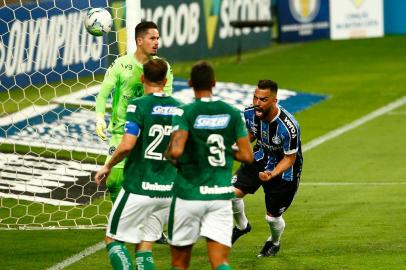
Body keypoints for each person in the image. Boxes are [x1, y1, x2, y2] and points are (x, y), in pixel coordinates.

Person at [165, 61, 253, 270]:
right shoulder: (231, 112)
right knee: (220, 262)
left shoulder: (185, 112)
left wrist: (174, 156)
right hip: (220, 196)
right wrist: (224, 148)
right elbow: (247, 155)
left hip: (189, 194)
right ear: (214, 83)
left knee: (179, 263)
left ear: (189, 83)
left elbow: (175, 152)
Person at [95, 58, 181, 270]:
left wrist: (107, 165)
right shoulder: (180, 108)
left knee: (113, 240)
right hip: (167, 190)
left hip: (139, 187)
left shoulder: (138, 105)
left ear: (143, 78)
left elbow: (126, 145)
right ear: (166, 79)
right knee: (144, 247)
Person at [95, 21, 173, 203]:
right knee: (113, 180)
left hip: (149, 134)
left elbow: (166, 99)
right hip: (122, 130)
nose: (156, 42)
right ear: (139, 40)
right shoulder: (121, 64)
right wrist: (99, 118)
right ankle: (120, 220)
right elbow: (103, 94)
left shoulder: (163, 67)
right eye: (152, 38)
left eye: (158, 38)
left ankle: (151, 227)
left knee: (150, 184)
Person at [230, 79, 303, 258]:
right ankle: (241, 226)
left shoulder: (289, 127)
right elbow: (252, 133)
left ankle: (274, 242)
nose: (257, 103)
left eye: (263, 100)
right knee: (229, 194)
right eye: (255, 98)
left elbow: (290, 158)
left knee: (272, 217)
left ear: (274, 101)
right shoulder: (250, 113)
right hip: (259, 159)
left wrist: (272, 174)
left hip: (285, 172)